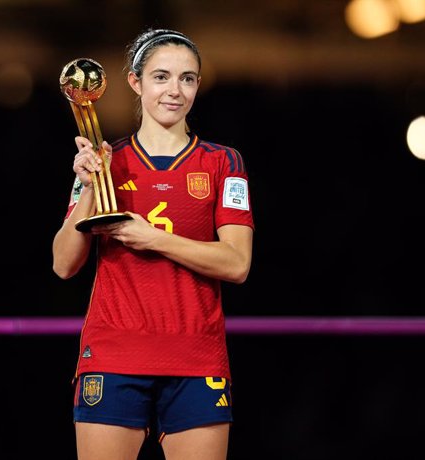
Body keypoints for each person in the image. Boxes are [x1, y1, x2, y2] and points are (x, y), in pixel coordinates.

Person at [52, 27, 255, 460]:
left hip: (196, 359)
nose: (174, 91)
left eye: (187, 78)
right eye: (161, 77)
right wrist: (89, 186)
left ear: (198, 85)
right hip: (113, 356)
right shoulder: (107, 160)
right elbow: (63, 264)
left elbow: (237, 263)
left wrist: (153, 238)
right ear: (135, 81)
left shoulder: (223, 162)